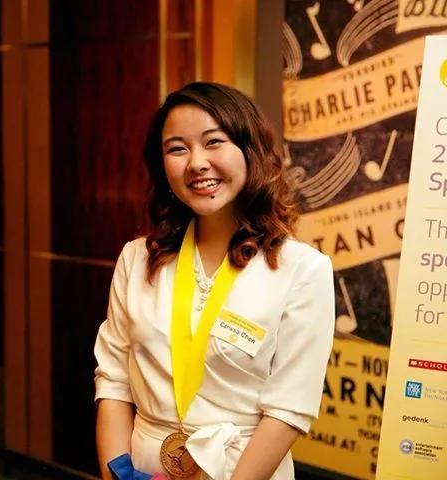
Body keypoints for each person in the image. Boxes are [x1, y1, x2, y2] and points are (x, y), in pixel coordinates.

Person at [94, 82, 335, 480]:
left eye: (214, 142)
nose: (197, 163)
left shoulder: (302, 269)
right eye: (177, 148)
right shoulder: (136, 259)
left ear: (250, 150)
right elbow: (113, 382)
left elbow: (287, 410)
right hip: (141, 468)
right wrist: (117, 475)